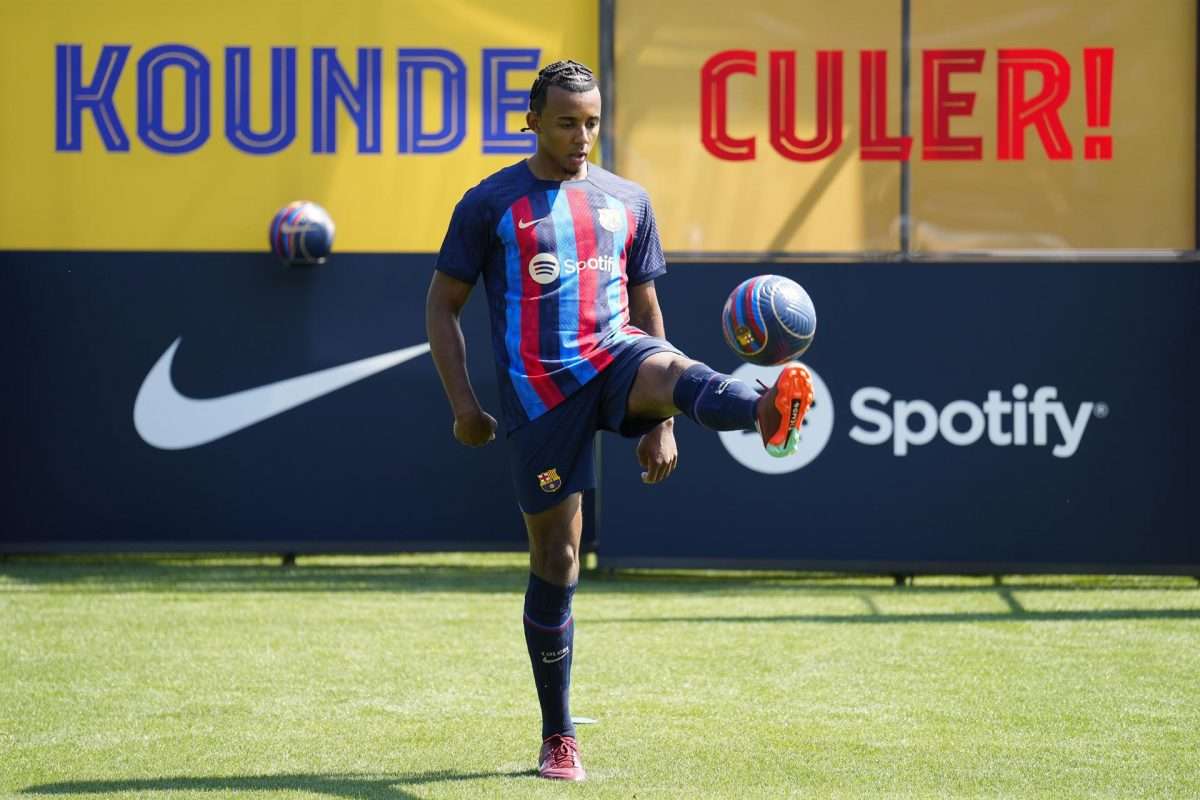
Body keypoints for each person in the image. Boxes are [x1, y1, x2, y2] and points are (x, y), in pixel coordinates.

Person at [425, 60, 813, 782]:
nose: (582, 136)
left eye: (593, 122)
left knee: (668, 367)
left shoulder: (628, 201)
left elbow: (647, 311)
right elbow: (442, 306)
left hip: (618, 357)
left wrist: (662, 419)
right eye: (567, 121)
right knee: (558, 561)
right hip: (541, 398)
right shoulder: (489, 204)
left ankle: (762, 410)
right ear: (532, 120)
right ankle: (559, 734)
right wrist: (464, 408)